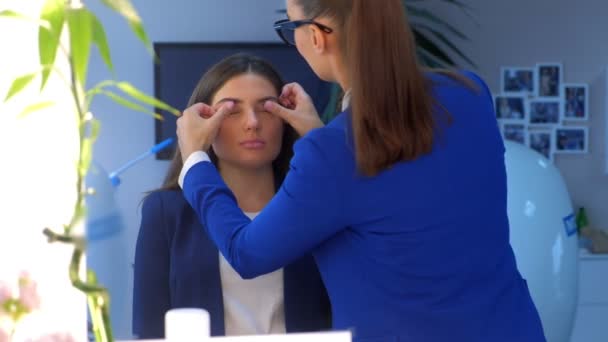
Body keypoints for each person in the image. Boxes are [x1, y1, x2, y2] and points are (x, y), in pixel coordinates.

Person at [175, 0, 546, 341]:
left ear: (317, 36)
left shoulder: (334, 153)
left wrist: (194, 159)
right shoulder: (470, 94)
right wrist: (321, 136)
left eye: (290, 28)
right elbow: (394, 189)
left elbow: (246, 253)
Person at [132, 54, 331, 339]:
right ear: (201, 124)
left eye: (266, 109)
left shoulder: (315, 204)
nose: (252, 123)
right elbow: (148, 328)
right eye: (232, 111)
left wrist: (320, 141)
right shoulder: (165, 211)